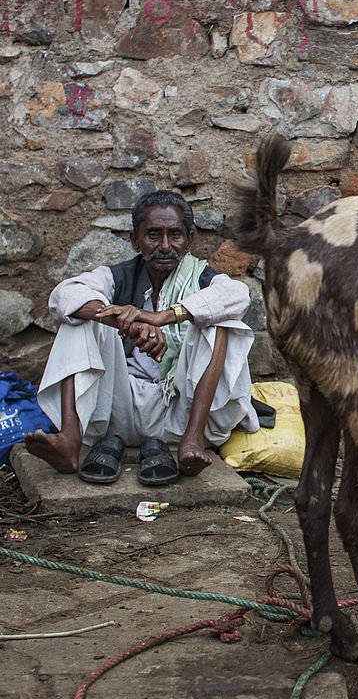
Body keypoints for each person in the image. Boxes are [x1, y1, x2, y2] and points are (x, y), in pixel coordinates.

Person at [24, 190, 259, 486]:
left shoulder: (202, 278)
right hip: (116, 412)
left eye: (174, 235)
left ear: (189, 239)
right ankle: (70, 440)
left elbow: (238, 295)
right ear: (135, 240)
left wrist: (164, 316)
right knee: (78, 316)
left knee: (223, 323)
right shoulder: (118, 276)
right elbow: (63, 295)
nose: (164, 246)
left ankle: (192, 443)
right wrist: (128, 322)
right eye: (153, 235)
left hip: (182, 412)